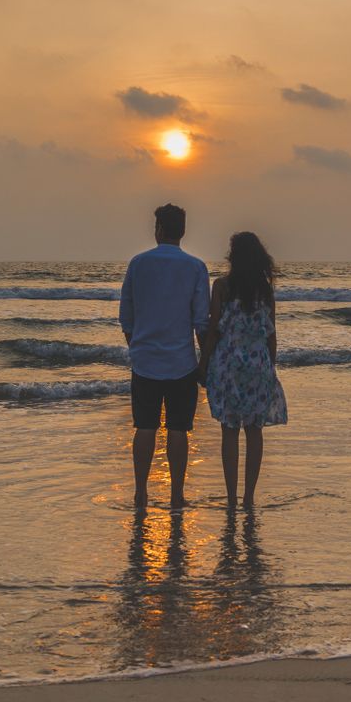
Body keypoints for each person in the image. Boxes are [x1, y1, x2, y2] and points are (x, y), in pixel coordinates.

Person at [118, 203, 210, 510]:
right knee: (178, 428)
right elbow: (200, 321)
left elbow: (127, 317)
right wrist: (204, 362)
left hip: (145, 360)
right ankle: (176, 494)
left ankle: (141, 492)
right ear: (182, 231)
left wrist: (136, 347)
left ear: (158, 230)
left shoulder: (138, 263)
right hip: (181, 361)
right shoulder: (195, 267)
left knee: (144, 427)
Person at [198, 231, 287, 509]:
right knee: (254, 430)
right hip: (257, 362)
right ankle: (249, 497)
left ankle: (232, 498)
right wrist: (270, 367)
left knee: (229, 430)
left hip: (229, 363)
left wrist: (204, 363)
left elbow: (213, 329)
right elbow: (271, 334)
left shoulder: (222, 286)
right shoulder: (265, 290)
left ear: (234, 257)